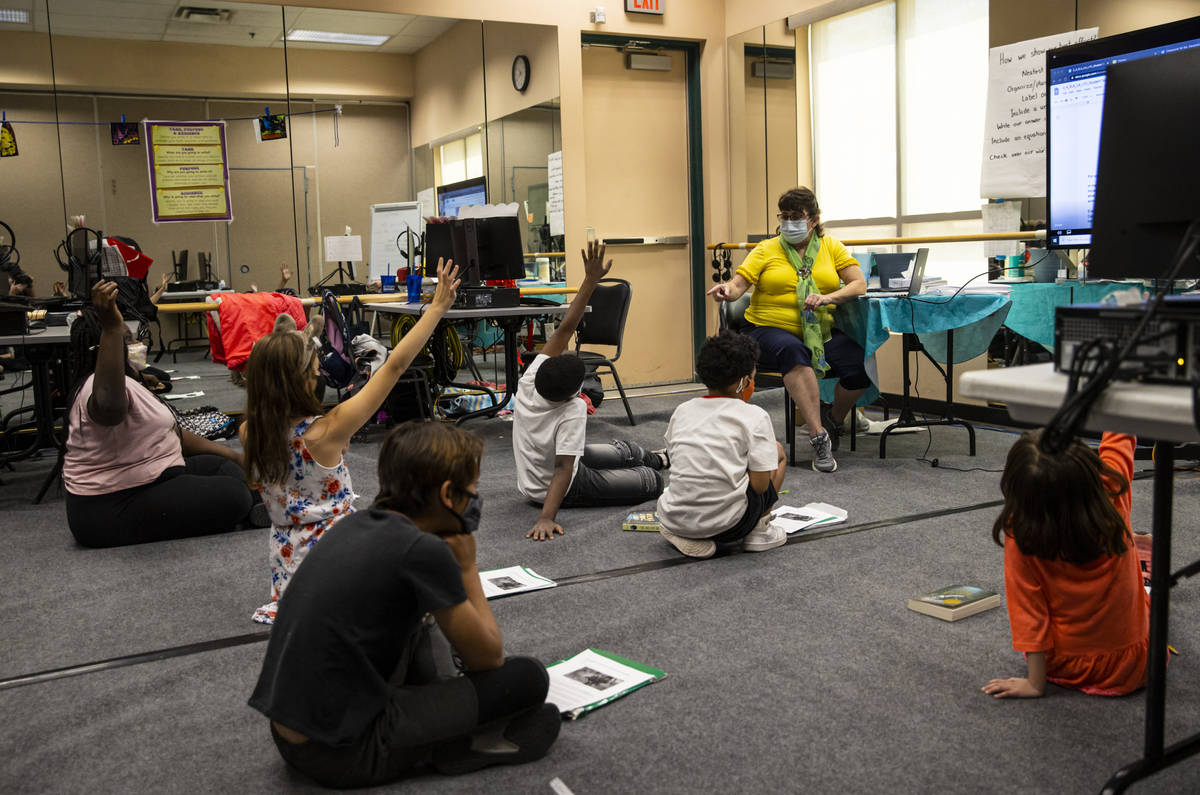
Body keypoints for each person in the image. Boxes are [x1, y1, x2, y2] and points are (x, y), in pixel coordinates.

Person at [249, 422, 560, 788]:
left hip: (290, 734)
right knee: (528, 679)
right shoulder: (423, 551)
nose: (476, 497)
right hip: (346, 753)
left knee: (424, 627)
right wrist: (466, 565)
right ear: (448, 494)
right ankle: (452, 745)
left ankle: (444, 723)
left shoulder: (354, 525)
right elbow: (488, 659)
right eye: (473, 489)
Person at [241, 258, 460, 624]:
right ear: (304, 380)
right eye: (314, 366)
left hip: (287, 560)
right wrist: (437, 307)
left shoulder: (251, 431)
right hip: (340, 555)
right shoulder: (327, 430)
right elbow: (394, 366)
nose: (320, 368)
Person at [62, 280, 263, 548]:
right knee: (235, 495)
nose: (135, 343)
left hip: (154, 473)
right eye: (128, 339)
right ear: (108, 346)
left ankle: (256, 506)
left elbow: (172, 434)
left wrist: (235, 456)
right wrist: (111, 327)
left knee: (223, 467)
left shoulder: (128, 380)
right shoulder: (96, 389)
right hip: (111, 504)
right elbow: (110, 410)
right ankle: (254, 507)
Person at [707, 187, 869, 473]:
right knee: (793, 350)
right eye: (785, 216)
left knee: (858, 366)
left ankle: (834, 418)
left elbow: (859, 284)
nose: (789, 222)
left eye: (797, 216)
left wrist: (828, 298)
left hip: (818, 330)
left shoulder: (832, 248)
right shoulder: (767, 249)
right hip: (766, 329)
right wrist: (727, 289)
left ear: (814, 220)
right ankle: (819, 437)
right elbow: (739, 284)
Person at [513, 241, 666, 541]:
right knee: (651, 482)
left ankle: (660, 457)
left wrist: (590, 280)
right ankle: (657, 468)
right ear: (574, 394)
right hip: (563, 487)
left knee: (630, 451)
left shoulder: (530, 379)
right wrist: (546, 517)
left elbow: (565, 329)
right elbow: (562, 468)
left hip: (540, 475)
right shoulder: (573, 409)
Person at [983, 431, 1150, 699]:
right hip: (1133, 665)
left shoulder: (1021, 533)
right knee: (1147, 601)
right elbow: (1121, 434)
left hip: (1067, 667)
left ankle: (1142, 565)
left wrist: (1035, 684)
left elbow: (1028, 613)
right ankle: (1144, 567)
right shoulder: (1112, 489)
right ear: (1088, 468)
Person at [656, 330, 788, 559]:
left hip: (674, 517)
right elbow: (759, 486)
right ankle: (760, 531)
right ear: (744, 381)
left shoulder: (682, 410)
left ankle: (684, 534)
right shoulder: (755, 416)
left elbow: (678, 458)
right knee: (776, 453)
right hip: (730, 527)